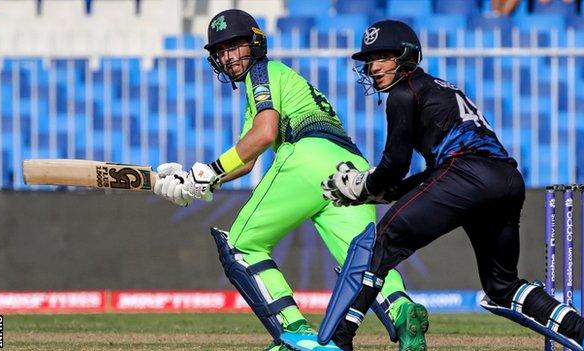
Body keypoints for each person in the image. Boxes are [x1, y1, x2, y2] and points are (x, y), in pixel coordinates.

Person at [280, 19, 584, 351]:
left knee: (382, 243)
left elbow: (396, 166)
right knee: (502, 286)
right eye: (369, 60)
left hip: (465, 173)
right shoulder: (440, 87)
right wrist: (376, 191)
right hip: (505, 180)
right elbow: (430, 177)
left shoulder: (403, 93)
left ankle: (339, 341)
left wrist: (364, 185)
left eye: (382, 57)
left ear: (406, 56)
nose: (373, 67)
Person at [152, 10, 429, 351]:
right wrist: (197, 183)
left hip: (307, 155)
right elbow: (247, 156)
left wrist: (208, 170)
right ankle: (404, 313)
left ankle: (294, 334)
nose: (228, 56)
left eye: (235, 45)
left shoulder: (263, 72)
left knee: (241, 246)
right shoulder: (281, 82)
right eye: (220, 51)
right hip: (350, 166)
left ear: (255, 44)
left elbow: (265, 135)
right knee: (361, 262)